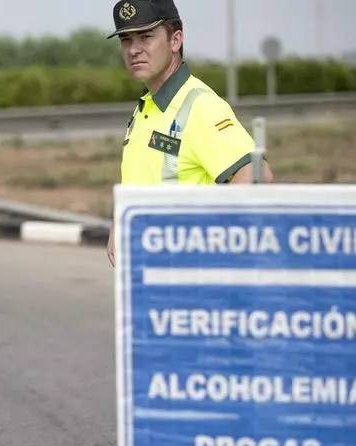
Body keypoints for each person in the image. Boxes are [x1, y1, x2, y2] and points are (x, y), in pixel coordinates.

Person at [104, 0, 275, 266]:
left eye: (146, 36)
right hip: (148, 278)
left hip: (186, 279)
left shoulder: (200, 106)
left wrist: (201, 245)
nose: (134, 49)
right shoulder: (147, 106)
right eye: (126, 40)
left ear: (176, 40)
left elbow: (256, 178)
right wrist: (120, 218)